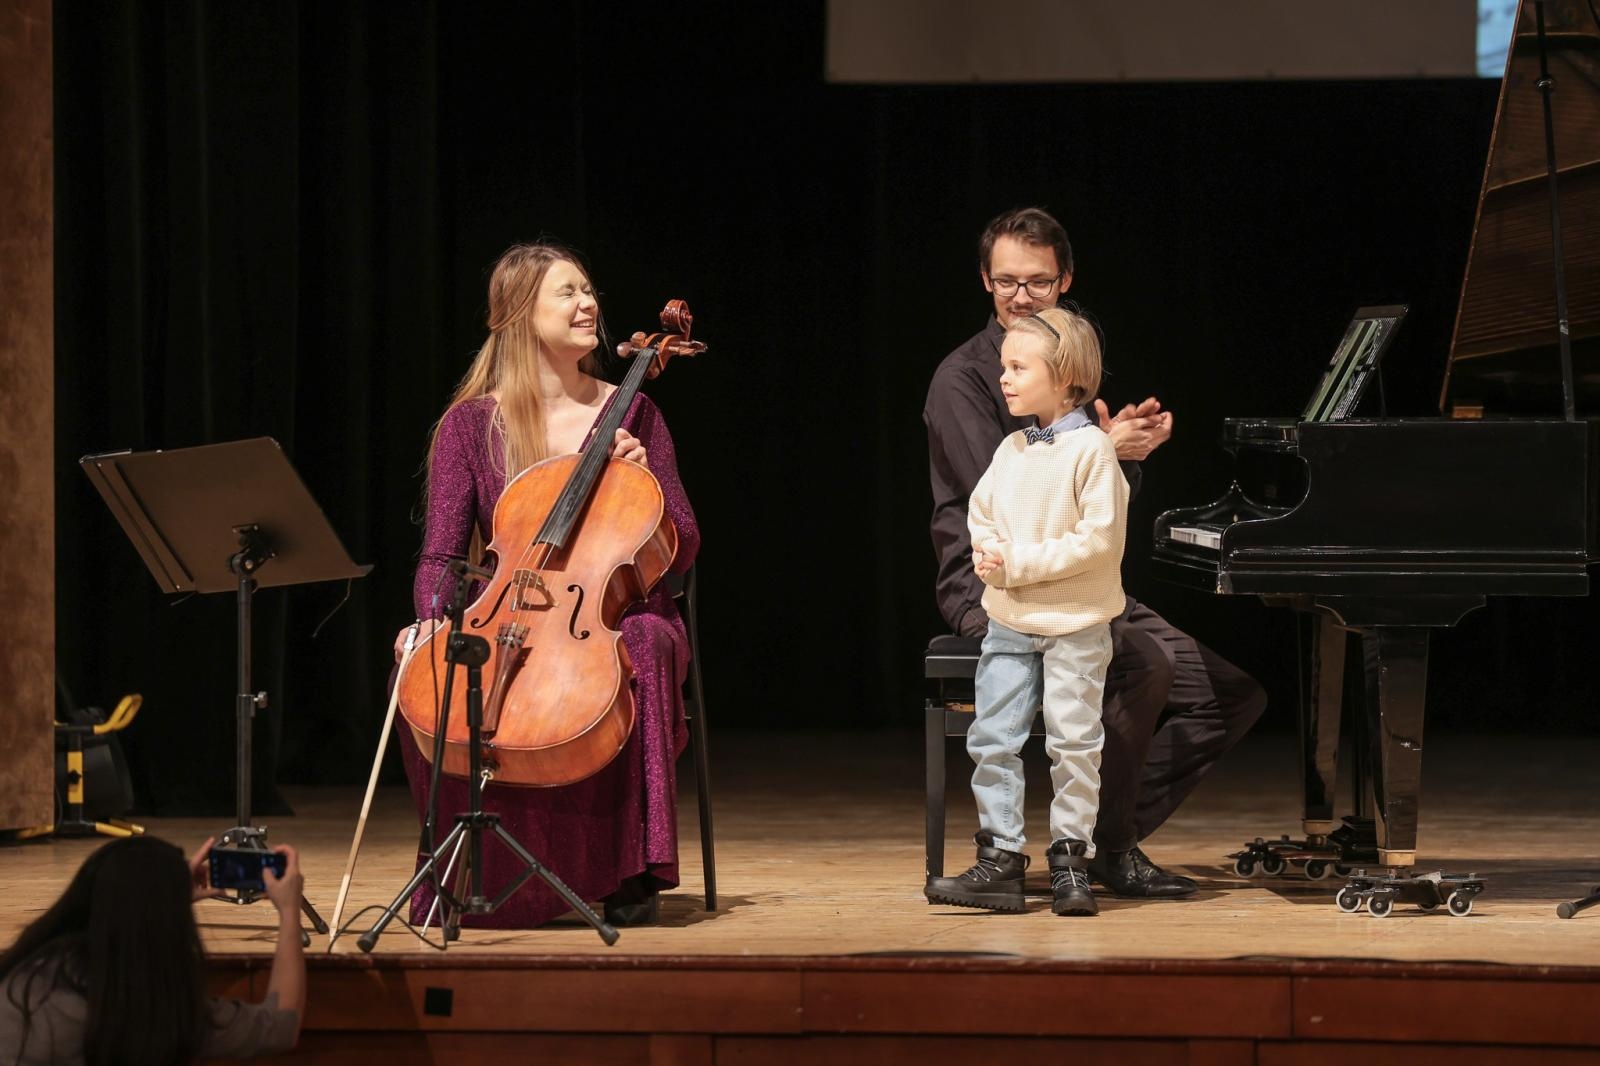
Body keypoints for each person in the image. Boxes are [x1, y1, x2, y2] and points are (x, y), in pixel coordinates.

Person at [924, 207, 1267, 898]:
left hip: (1073, 578)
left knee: (1229, 696)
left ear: (1066, 279)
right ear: (985, 281)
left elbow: (1088, 503)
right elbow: (1007, 499)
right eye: (1006, 282)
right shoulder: (964, 378)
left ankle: (1102, 836)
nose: (1021, 296)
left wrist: (1123, 455)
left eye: (1039, 282)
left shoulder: (1067, 364)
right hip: (998, 581)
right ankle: (1101, 848)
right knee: (1145, 664)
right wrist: (1100, 453)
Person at [392, 241, 700, 929]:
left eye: (588, 289)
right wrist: (433, 619)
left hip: (613, 616)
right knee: (423, 671)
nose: (589, 303)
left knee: (646, 642)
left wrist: (643, 476)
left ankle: (627, 871)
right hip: (511, 614)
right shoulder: (471, 425)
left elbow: (683, 543)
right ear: (519, 314)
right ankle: (466, 866)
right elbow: (441, 556)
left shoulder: (634, 413)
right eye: (568, 292)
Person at [925, 307, 1126, 916]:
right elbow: (981, 511)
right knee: (993, 738)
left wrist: (1017, 562)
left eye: (1018, 367)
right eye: (1003, 366)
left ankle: (1071, 862)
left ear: (1065, 376)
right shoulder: (1012, 448)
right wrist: (990, 552)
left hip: (1075, 625)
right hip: (1010, 621)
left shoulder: (1092, 450)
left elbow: (1098, 542)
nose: (1004, 378)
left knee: (1073, 742)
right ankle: (1002, 859)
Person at [0, 835, 303, 1065]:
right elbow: (280, 1026)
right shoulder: (163, 1012)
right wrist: (289, 911)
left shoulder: (25, 982)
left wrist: (162, 901)